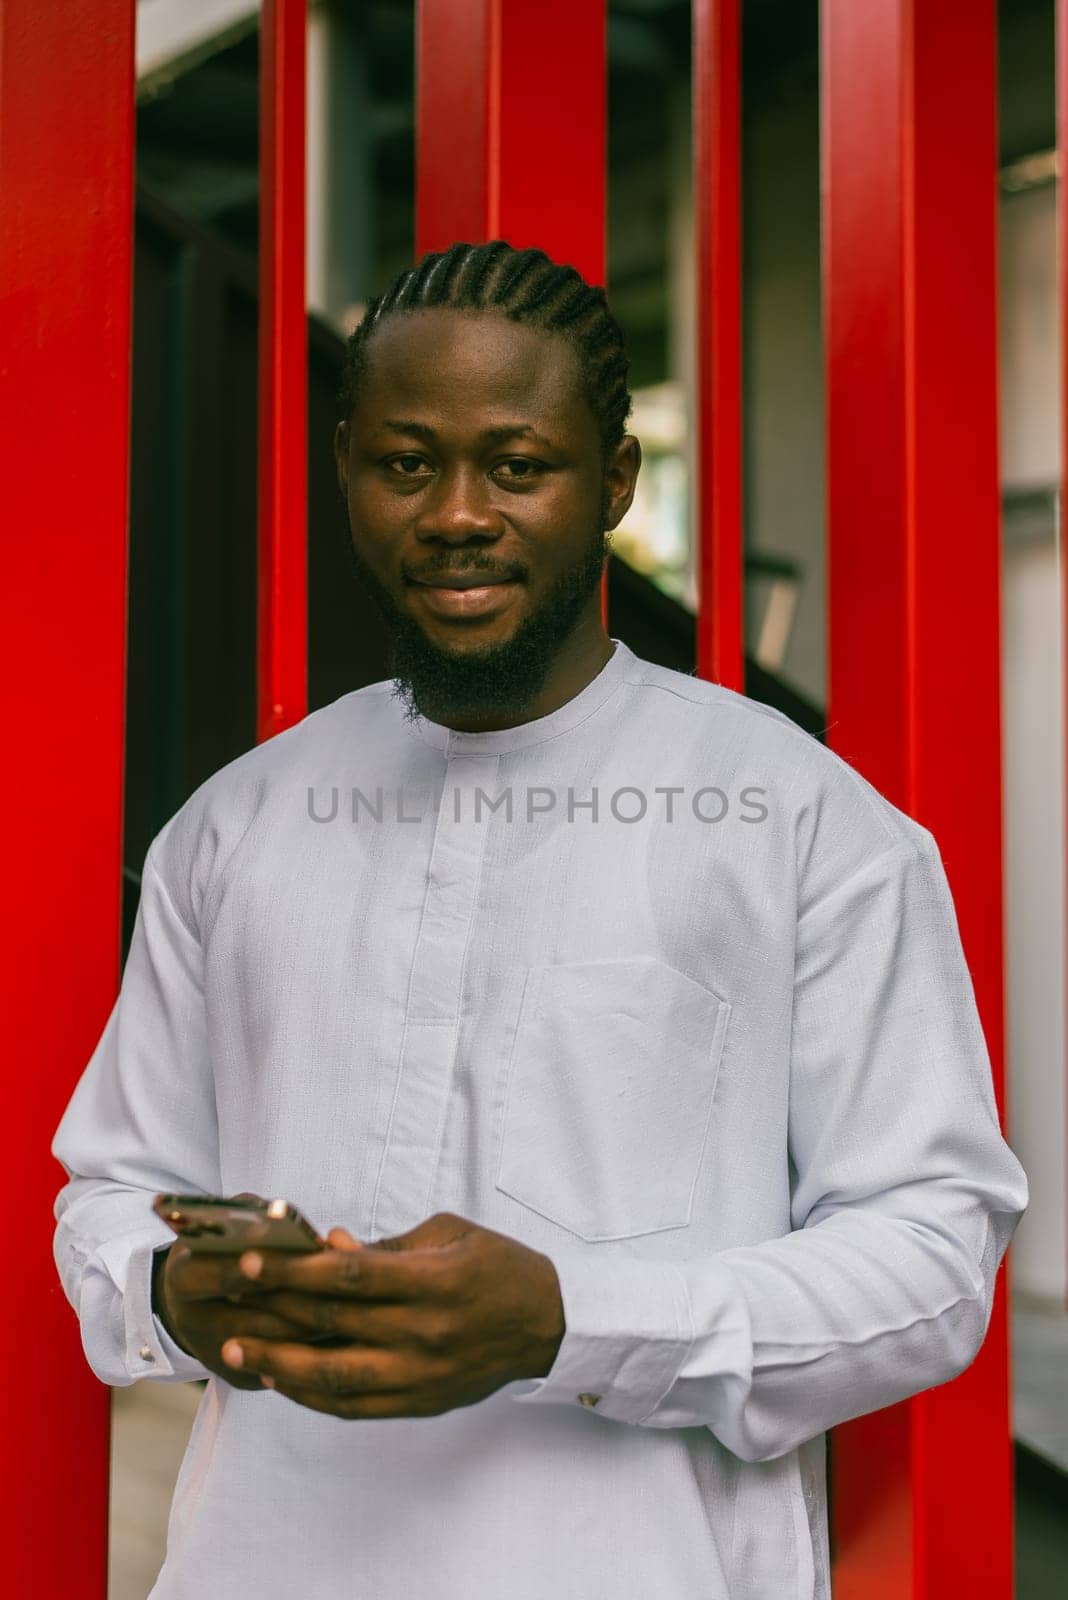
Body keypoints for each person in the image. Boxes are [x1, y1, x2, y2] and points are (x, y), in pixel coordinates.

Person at [52, 239, 1028, 1600]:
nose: (458, 512)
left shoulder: (803, 823)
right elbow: (107, 1191)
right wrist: (172, 1293)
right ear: (349, 473)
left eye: (518, 465)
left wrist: (572, 1323)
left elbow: (933, 1258)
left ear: (614, 483)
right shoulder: (235, 826)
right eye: (407, 464)